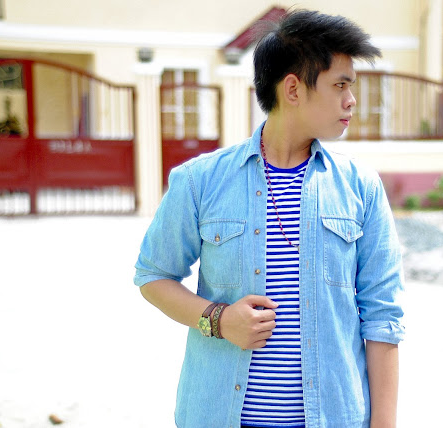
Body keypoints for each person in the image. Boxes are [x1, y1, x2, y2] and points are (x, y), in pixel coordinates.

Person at [134, 9, 404, 428]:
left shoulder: (361, 187)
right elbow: (153, 276)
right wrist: (219, 320)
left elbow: (383, 317)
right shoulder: (200, 181)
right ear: (293, 88)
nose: (351, 100)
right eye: (340, 85)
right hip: (218, 416)